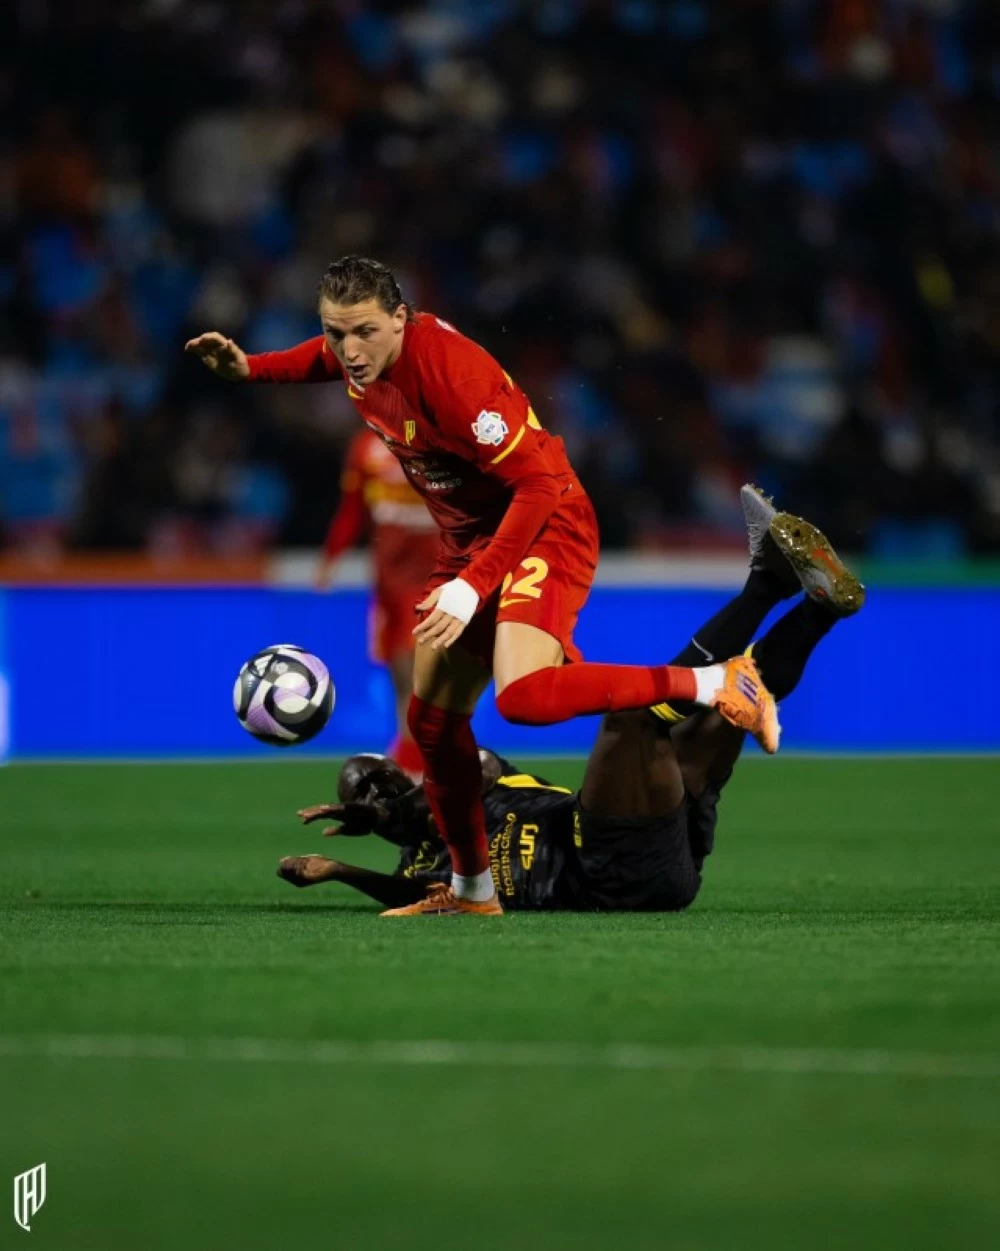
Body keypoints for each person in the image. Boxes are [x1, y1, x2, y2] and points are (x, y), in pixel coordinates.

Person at [186, 256, 777, 917]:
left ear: (400, 320)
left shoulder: (453, 379)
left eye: (363, 332)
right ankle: (473, 890)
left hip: (543, 525)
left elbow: (539, 485)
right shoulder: (359, 358)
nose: (349, 351)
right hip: (469, 539)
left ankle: (717, 683)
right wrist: (251, 368)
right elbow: (321, 360)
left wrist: (473, 586)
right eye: (335, 332)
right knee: (431, 722)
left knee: (522, 695)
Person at [277, 491, 865, 914]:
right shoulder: (422, 868)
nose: (378, 787)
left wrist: (393, 810)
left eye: (377, 775)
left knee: (732, 702)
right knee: (633, 717)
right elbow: (415, 893)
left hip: (637, 827)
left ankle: (814, 608)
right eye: (366, 791)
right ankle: (764, 586)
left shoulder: (460, 791)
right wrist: (342, 871)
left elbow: (480, 765)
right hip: (609, 869)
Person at [315, 427, 438, 778]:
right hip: (389, 581)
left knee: (422, 672)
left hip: (435, 576)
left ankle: (420, 758)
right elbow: (353, 509)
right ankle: (410, 751)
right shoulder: (366, 448)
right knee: (399, 672)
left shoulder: (438, 438)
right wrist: (332, 556)